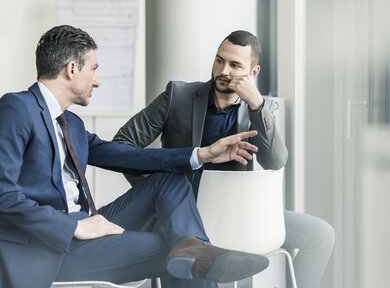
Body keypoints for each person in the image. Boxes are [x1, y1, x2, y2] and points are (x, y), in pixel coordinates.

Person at [0, 25, 270, 288]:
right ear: (72, 69)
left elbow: (126, 156)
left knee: (174, 205)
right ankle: (194, 251)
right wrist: (71, 228)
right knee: (175, 249)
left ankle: (193, 249)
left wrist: (202, 155)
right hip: (51, 247)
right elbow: (3, 195)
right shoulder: (18, 108)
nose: (97, 80)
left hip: (84, 228)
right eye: (93, 69)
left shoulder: (72, 124)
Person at [114, 30, 336, 288]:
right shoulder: (178, 96)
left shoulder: (261, 109)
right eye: (220, 60)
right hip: (185, 214)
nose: (224, 71)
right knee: (190, 270)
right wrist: (157, 192)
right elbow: (122, 145)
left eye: (235, 65)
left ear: (253, 72)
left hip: (240, 213)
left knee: (321, 235)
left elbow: (276, 160)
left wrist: (257, 105)